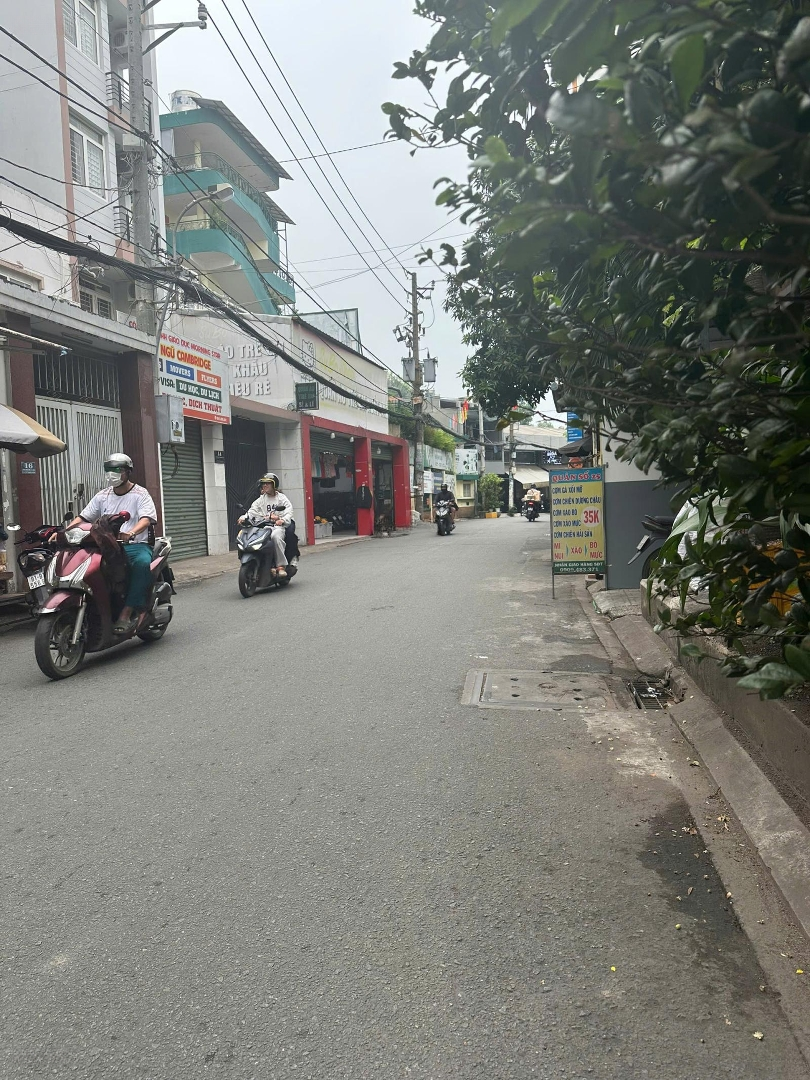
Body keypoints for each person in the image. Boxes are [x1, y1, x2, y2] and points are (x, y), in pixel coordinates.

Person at [67, 453, 157, 634]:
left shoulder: (140, 494)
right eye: (108, 470)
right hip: (107, 546)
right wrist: (65, 531)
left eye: (117, 470)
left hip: (135, 545)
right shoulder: (103, 495)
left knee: (141, 563)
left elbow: (147, 519)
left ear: (128, 472)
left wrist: (131, 533)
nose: (112, 474)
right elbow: (84, 517)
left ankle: (127, 612)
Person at [238, 473, 293, 577]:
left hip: (277, 527)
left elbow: (289, 511)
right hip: (265, 527)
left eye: (268, 483)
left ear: (274, 485)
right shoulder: (261, 499)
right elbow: (252, 511)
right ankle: (266, 564)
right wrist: (243, 517)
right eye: (263, 483)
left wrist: (282, 520)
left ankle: (281, 566)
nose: (265, 485)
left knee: (275, 537)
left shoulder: (281, 498)